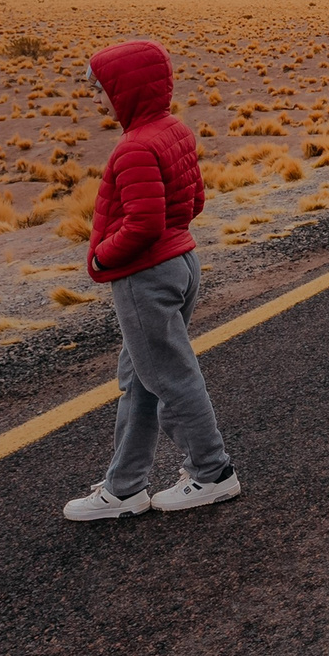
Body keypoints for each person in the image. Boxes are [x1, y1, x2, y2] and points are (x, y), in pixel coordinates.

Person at [63, 40, 243, 520]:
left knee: (169, 376)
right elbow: (194, 201)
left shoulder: (135, 148)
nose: (99, 98)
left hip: (146, 276)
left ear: (127, 89)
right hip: (181, 264)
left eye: (103, 89)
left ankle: (212, 474)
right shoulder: (173, 131)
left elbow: (143, 224)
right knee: (142, 378)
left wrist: (101, 258)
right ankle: (125, 487)